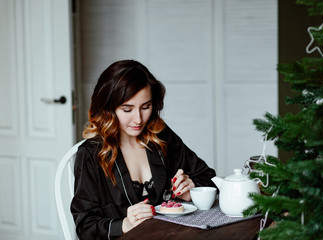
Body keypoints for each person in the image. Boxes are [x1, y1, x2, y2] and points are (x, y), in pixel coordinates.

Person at [70, 60, 216, 239]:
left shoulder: (161, 137)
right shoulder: (91, 154)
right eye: (127, 109)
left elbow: (209, 178)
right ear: (109, 108)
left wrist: (192, 190)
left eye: (145, 107)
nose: (138, 119)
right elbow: (85, 225)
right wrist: (123, 224)